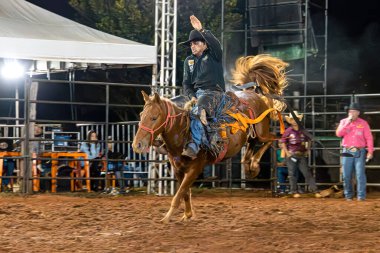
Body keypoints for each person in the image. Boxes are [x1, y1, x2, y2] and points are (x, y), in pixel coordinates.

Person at [179, 15, 225, 159]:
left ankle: (195, 145)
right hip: (197, 95)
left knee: (198, 109)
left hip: (214, 92)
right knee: (176, 109)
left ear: (205, 44)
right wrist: (191, 96)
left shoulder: (213, 54)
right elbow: (186, 83)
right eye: (191, 44)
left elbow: (216, 44)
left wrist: (202, 30)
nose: (192, 46)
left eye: (196, 42)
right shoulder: (189, 61)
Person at [335, 102, 374, 201]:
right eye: (350, 111)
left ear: (358, 112)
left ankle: (361, 196)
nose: (351, 113)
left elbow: (369, 138)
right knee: (346, 174)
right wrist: (347, 122)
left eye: (354, 111)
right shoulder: (343, 121)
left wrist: (370, 151)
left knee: (360, 174)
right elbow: (339, 134)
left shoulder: (363, 123)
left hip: (359, 150)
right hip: (347, 150)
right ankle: (348, 195)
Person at [280, 111, 318, 195]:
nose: (294, 121)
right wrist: (287, 153)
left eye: (295, 119)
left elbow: (309, 139)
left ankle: (314, 189)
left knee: (306, 173)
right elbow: (283, 142)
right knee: (292, 173)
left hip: (301, 154)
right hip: (292, 154)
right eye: (292, 119)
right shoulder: (288, 131)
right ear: (290, 120)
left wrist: (308, 150)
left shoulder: (303, 130)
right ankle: (293, 190)